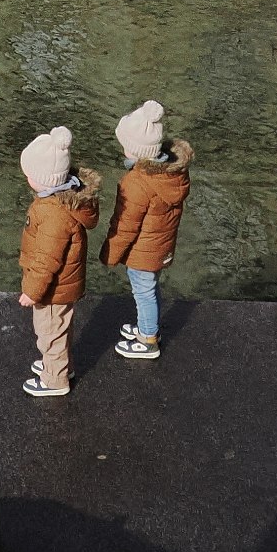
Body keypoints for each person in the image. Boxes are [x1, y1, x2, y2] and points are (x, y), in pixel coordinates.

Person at [102, 100, 191, 362]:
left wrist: (110, 253)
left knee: (143, 291)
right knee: (150, 288)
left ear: (137, 151)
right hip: (160, 247)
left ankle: (148, 339)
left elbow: (125, 225)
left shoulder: (136, 183)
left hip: (143, 252)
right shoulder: (172, 175)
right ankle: (147, 326)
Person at [16, 126, 100, 398]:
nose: (27, 177)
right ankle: (62, 367)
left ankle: (55, 380)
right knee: (60, 327)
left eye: (29, 174)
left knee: (50, 331)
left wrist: (32, 291)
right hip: (64, 285)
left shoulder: (53, 215)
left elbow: (47, 260)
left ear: (43, 180)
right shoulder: (60, 203)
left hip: (54, 289)